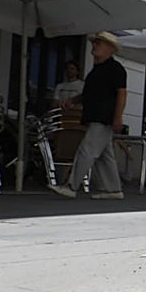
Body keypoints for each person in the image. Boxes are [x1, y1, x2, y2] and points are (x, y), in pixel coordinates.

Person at [48, 32, 127, 200]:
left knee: (87, 150)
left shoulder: (115, 69)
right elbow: (89, 94)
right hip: (96, 115)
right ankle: (113, 189)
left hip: (103, 116)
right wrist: (73, 100)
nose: (95, 45)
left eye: (99, 43)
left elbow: (122, 94)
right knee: (105, 155)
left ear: (110, 48)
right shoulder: (96, 70)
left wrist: (118, 117)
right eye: (95, 42)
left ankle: (71, 185)